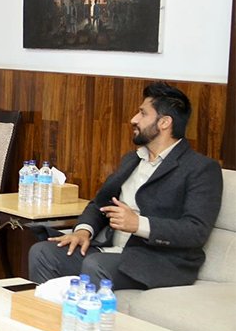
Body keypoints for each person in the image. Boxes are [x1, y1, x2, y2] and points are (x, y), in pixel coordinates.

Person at [28, 82, 222, 290]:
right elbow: (99, 204)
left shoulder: (201, 168)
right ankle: (45, 312)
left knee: (96, 265)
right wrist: (83, 231)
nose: (134, 119)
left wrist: (138, 224)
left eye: (142, 113)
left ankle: (83, 312)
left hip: (157, 261)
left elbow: (196, 230)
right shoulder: (132, 159)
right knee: (43, 253)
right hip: (110, 252)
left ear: (164, 122)